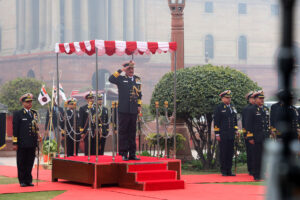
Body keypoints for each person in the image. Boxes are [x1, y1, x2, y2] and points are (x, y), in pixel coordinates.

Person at [109, 60, 142, 161]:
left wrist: (139, 105)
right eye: (129, 69)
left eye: (132, 69)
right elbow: (111, 79)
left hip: (133, 109)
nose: (131, 70)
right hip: (123, 109)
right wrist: (121, 70)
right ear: (126, 70)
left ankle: (132, 154)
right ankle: (124, 153)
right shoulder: (121, 78)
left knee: (132, 132)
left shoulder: (137, 79)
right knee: (123, 132)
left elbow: (139, 93)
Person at [13, 93, 40, 187]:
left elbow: (36, 128)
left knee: (30, 162)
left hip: (32, 143)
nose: (29, 104)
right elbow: (15, 129)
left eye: (30, 102)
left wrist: (37, 140)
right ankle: (22, 180)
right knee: (21, 162)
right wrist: (15, 142)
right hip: (22, 143)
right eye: (27, 102)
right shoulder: (18, 114)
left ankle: (29, 180)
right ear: (23, 103)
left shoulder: (34, 113)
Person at [214, 90, 238, 176]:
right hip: (223, 133)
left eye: (229, 98)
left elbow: (234, 120)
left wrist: (236, 129)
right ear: (222, 98)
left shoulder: (232, 107)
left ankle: (229, 170)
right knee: (223, 152)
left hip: (231, 133)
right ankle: (223, 170)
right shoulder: (219, 108)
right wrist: (217, 133)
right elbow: (216, 122)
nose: (229, 99)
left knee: (230, 152)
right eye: (227, 98)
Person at [247, 90, 270, 181]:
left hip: (264, 137)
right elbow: (249, 124)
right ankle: (256, 174)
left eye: (263, 99)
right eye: (260, 99)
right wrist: (250, 137)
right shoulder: (252, 109)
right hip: (256, 137)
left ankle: (263, 173)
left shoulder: (265, 109)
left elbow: (266, 123)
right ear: (255, 99)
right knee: (256, 156)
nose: (262, 100)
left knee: (264, 156)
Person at [241, 91, 255, 175]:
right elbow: (245, 123)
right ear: (249, 99)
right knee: (250, 152)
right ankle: (251, 169)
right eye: (252, 98)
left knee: (257, 153)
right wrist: (246, 134)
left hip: (257, 134)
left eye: (254, 98)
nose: (253, 100)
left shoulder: (259, 108)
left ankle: (257, 168)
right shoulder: (246, 109)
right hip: (249, 134)